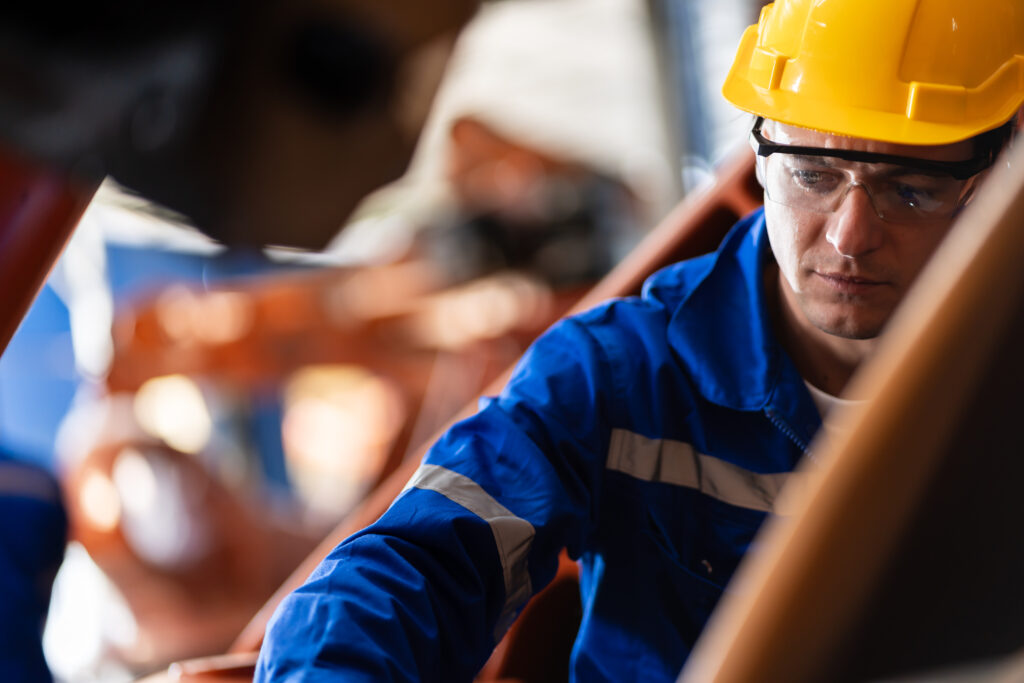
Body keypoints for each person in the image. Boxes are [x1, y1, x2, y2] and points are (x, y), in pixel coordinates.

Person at [256, 0, 1024, 680]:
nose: (851, 235)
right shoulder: (622, 376)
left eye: (911, 187)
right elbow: (418, 563)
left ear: (997, 182)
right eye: (813, 174)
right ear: (759, 156)